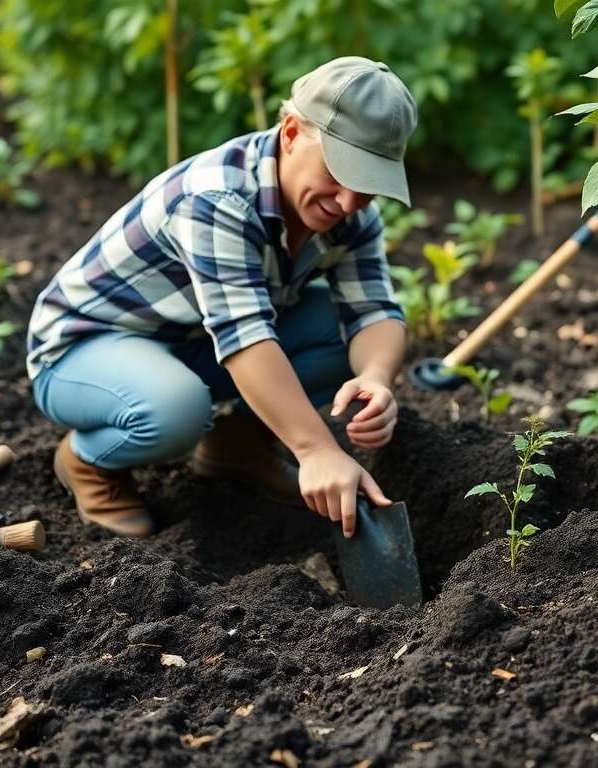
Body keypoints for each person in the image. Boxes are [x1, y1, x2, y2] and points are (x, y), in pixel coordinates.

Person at [25, 57, 416, 540]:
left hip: (193, 343)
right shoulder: (215, 199)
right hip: (85, 350)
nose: (349, 203)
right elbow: (245, 338)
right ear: (292, 133)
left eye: (368, 189)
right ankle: (86, 462)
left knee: (338, 333)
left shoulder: (348, 214)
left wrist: (376, 379)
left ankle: (235, 446)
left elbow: (374, 310)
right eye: (339, 174)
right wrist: (316, 450)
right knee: (175, 408)